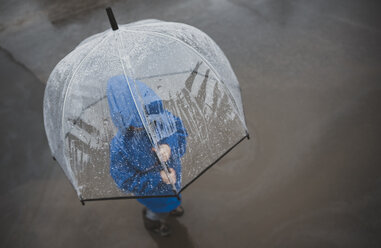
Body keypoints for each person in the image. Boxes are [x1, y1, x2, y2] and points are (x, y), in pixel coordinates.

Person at [107, 75, 188, 236]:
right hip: (153, 195)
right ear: (122, 119)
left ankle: (172, 205)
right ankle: (152, 222)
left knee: (173, 196)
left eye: (150, 121)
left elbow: (180, 132)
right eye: (138, 125)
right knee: (157, 211)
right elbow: (126, 181)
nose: (146, 127)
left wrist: (169, 146)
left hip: (173, 178)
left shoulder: (161, 117)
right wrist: (159, 177)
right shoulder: (120, 148)